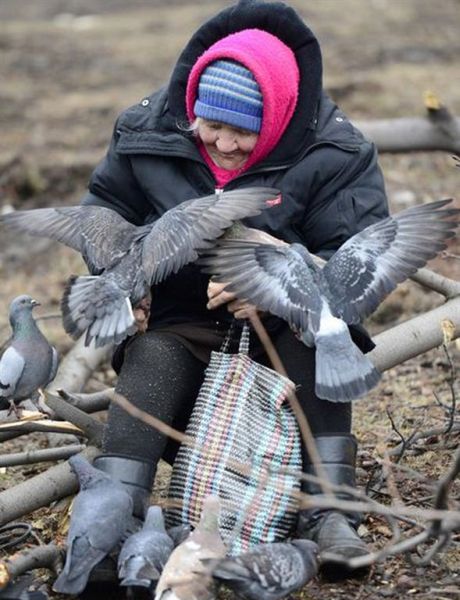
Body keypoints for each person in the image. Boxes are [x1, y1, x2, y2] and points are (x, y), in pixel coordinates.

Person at [78, 0, 388, 586]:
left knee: (320, 345)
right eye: (210, 126)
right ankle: (115, 515)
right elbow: (105, 211)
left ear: (275, 119)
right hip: (180, 320)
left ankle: (330, 513)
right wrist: (125, 280)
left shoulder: (336, 152)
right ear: (190, 109)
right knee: (150, 359)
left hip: (282, 327)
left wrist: (276, 294)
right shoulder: (147, 131)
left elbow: (357, 261)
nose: (221, 144)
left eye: (242, 131)